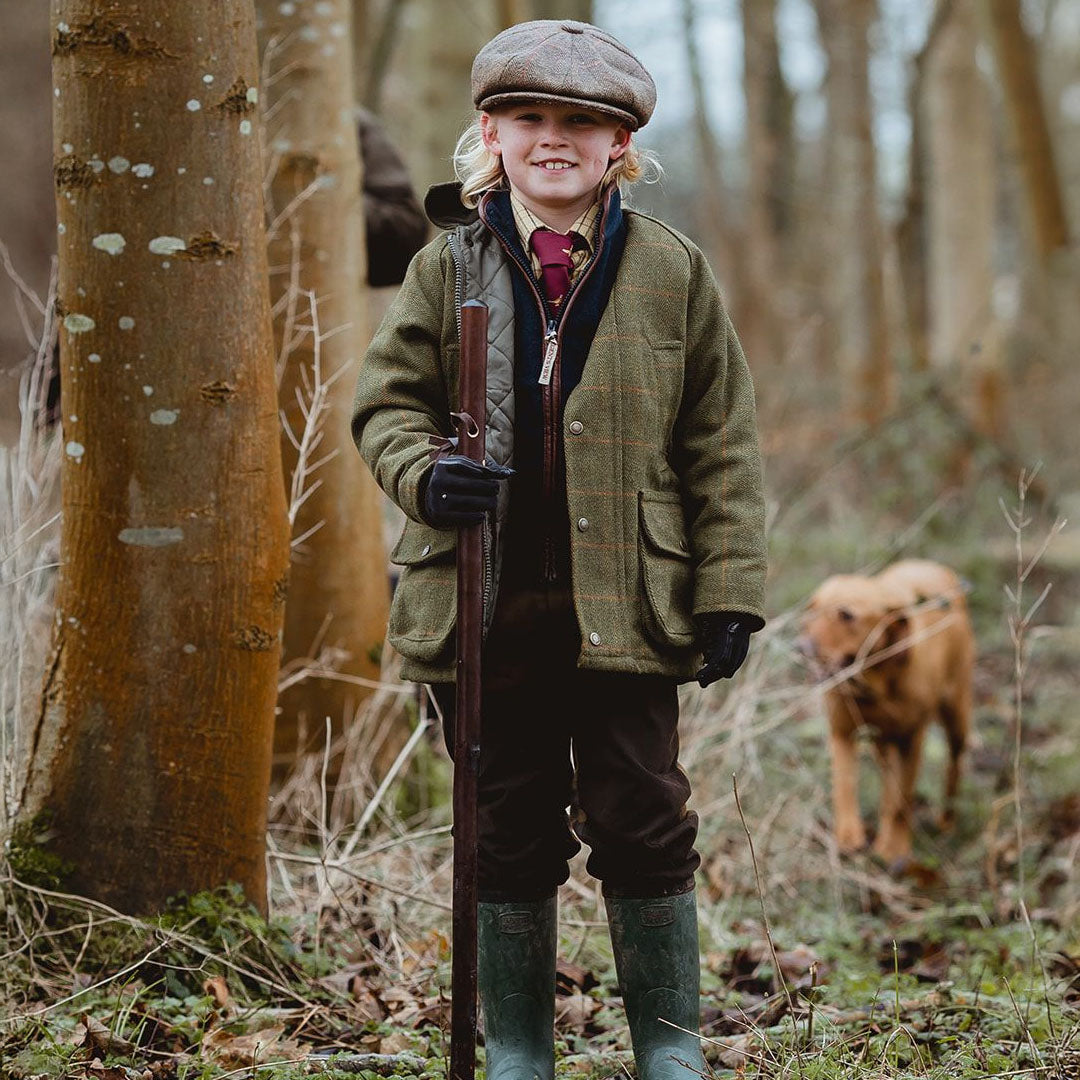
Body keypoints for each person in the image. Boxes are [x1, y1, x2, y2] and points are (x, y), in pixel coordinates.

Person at [350, 19, 767, 1080]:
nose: (554, 139)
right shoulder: (447, 266)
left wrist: (729, 591)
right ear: (489, 131)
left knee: (645, 820)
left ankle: (670, 1055)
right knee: (505, 833)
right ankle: (522, 1056)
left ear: (619, 146)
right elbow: (386, 406)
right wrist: (422, 475)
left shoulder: (673, 272)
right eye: (530, 118)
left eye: (582, 124)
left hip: (627, 605)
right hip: (483, 609)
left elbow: (719, 444)